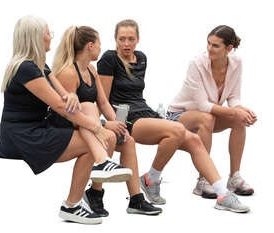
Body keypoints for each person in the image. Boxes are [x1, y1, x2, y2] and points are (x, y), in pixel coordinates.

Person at [0, 15, 132, 225]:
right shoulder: (26, 68)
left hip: (39, 128)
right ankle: (73, 203)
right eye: (48, 33)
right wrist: (98, 127)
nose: (50, 37)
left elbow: (63, 97)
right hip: (22, 137)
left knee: (87, 106)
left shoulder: (40, 66)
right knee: (94, 140)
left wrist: (72, 96)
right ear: (36, 38)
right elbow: (59, 107)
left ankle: (96, 173)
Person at [97, 19, 250, 213]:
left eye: (131, 39)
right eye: (122, 39)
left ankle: (222, 195)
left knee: (193, 140)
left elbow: (137, 96)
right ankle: (150, 179)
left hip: (145, 112)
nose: (126, 43)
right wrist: (112, 124)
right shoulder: (109, 59)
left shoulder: (141, 58)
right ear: (115, 39)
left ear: (138, 40)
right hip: (126, 118)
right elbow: (102, 99)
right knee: (177, 128)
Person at [50, 25, 162, 216]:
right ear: (90, 46)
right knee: (100, 124)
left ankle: (135, 199)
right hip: (67, 126)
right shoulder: (68, 73)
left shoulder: (92, 70)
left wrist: (118, 124)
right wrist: (103, 125)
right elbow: (69, 114)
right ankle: (95, 192)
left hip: (87, 122)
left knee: (127, 140)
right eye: (100, 44)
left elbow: (102, 101)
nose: (101, 48)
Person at [166, 25, 256, 198]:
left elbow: (234, 97)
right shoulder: (196, 63)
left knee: (240, 120)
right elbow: (202, 105)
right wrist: (234, 112)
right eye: (208, 43)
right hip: (178, 115)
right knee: (206, 118)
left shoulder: (236, 63)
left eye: (215, 45)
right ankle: (203, 180)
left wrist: (243, 111)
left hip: (209, 115)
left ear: (229, 49)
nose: (209, 48)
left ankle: (234, 177)